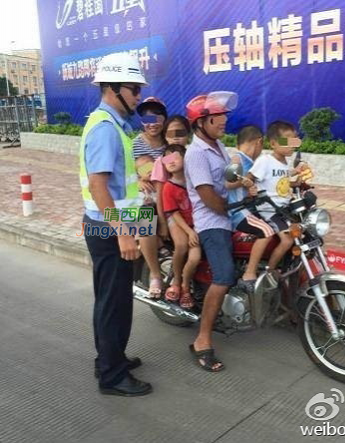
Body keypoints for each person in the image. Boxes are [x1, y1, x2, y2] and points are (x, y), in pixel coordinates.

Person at [79, 52, 152, 396]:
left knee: (110, 298)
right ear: (111, 88)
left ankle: (110, 357)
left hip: (112, 223)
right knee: (115, 302)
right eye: (133, 89)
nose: (138, 96)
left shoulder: (113, 125)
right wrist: (124, 233)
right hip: (109, 228)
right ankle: (112, 376)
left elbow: (119, 183)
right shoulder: (106, 129)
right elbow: (98, 186)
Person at [184, 91, 238, 372]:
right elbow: (209, 198)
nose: (224, 120)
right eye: (217, 117)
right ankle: (202, 340)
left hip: (228, 214)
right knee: (225, 275)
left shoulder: (219, 147)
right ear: (201, 122)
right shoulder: (196, 153)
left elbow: (227, 181)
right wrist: (235, 208)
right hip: (212, 221)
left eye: (223, 115)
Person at [245, 121, 305, 276]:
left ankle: (287, 265)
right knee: (287, 240)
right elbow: (249, 177)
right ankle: (270, 272)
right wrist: (250, 187)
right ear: (273, 143)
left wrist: (295, 181)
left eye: (294, 141)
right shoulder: (265, 161)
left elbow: (280, 181)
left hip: (283, 208)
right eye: (287, 141)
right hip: (270, 209)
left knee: (302, 232)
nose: (292, 145)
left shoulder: (284, 163)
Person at [225, 125, 276, 293]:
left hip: (247, 208)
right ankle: (249, 274)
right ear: (259, 142)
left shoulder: (249, 162)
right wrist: (244, 182)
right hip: (237, 212)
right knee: (267, 231)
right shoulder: (237, 159)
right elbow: (228, 183)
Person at [132, 97, 167, 298]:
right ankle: (155, 274)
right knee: (145, 226)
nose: (152, 123)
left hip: (168, 194)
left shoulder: (169, 142)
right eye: (147, 118)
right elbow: (125, 172)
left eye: (157, 118)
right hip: (145, 196)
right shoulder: (135, 144)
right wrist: (137, 181)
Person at [161, 144, 199, 308]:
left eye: (175, 157)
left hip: (195, 223)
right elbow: (174, 213)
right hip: (176, 220)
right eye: (167, 159)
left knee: (195, 257)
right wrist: (190, 231)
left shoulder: (194, 182)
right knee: (182, 245)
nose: (171, 161)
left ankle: (185, 286)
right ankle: (177, 281)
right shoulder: (168, 187)